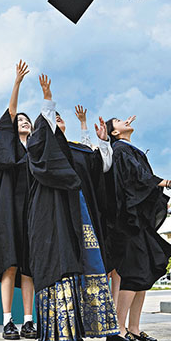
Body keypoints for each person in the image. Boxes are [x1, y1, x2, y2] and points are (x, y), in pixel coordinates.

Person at [26, 75, 120, 341]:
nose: (57, 121)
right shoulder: (39, 147)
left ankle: (76, 334)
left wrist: (103, 143)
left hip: (81, 220)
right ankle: (50, 338)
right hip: (52, 219)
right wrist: (47, 100)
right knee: (60, 272)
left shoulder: (76, 151)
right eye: (52, 119)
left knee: (84, 271)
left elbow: (99, 170)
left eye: (59, 118)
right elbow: (45, 137)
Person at [105, 115, 171, 341]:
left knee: (144, 274)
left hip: (138, 223)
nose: (126, 121)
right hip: (127, 224)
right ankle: (118, 329)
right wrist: (169, 183)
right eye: (120, 121)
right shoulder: (120, 149)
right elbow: (137, 180)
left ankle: (133, 328)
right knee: (134, 273)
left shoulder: (129, 148)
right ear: (114, 133)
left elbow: (145, 188)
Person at [0, 60, 35, 341]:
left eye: (26, 120)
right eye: (20, 120)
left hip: (32, 212)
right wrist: (17, 83)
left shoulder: (37, 153)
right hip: (10, 211)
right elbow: (10, 114)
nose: (23, 122)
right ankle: (8, 320)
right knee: (10, 263)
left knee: (30, 266)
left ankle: (29, 320)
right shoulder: (10, 149)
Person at [75, 106, 121, 305]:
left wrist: (102, 140)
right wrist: (84, 125)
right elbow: (87, 155)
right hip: (85, 212)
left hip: (104, 212)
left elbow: (101, 162)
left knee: (108, 264)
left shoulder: (113, 152)